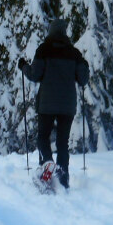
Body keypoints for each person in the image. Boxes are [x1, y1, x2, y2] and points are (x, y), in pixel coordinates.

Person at [18, 18, 90, 189]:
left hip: (47, 104)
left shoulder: (44, 50)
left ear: (50, 31)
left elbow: (35, 75)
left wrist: (23, 67)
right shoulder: (74, 53)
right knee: (62, 142)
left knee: (43, 137)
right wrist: (85, 65)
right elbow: (83, 80)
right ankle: (63, 177)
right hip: (67, 105)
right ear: (64, 32)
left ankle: (47, 164)